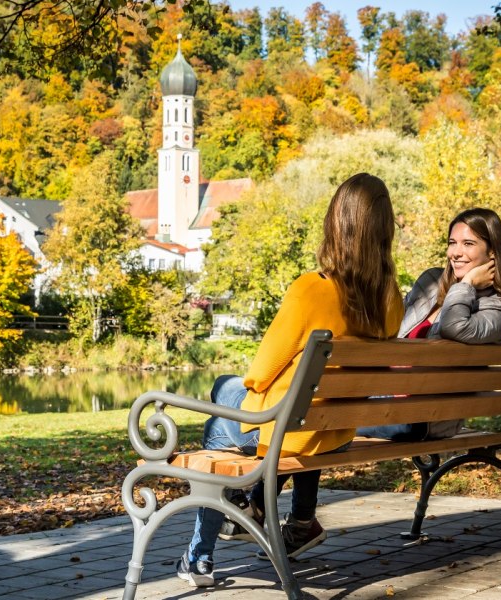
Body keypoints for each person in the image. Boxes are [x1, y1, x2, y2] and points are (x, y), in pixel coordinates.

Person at [176, 173, 404, 588]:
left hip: (291, 428)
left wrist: (261, 384)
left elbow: (259, 373)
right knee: (297, 405)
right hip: (335, 430)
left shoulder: (311, 290)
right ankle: (292, 517)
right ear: (384, 230)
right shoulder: (391, 299)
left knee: (224, 399)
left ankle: (202, 555)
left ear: (336, 224)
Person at [357, 207, 501, 442]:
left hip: (424, 418)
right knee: (313, 414)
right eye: (452, 242)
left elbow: (453, 326)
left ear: (493, 252)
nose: (455, 252)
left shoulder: (496, 309)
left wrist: (466, 284)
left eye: (468, 244)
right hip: (381, 397)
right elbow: (390, 330)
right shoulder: (431, 282)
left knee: (317, 423)